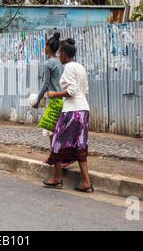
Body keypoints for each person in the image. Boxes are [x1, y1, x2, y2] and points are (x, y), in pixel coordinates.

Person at [43, 38, 93, 193]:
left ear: (64, 54)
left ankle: (57, 179)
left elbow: (71, 91)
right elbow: (84, 90)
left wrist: (54, 94)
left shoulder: (69, 67)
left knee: (56, 143)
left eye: (60, 54)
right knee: (80, 146)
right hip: (83, 109)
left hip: (72, 111)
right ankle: (86, 182)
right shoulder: (81, 67)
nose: (59, 57)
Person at [32, 33, 62, 146]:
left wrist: (37, 101)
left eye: (45, 46)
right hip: (64, 99)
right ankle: (59, 156)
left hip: (54, 100)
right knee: (60, 130)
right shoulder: (61, 62)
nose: (44, 48)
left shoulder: (48, 63)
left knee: (51, 131)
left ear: (48, 48)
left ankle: (54, 156)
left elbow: (44, 85)